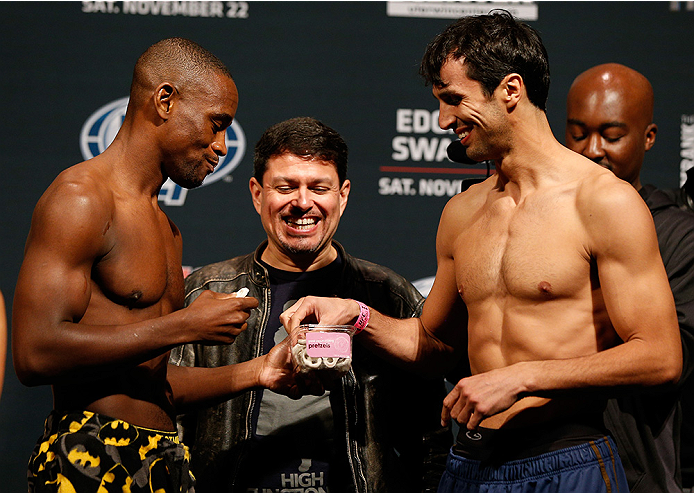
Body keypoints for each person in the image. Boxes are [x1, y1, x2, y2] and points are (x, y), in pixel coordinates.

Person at [279, 11, 683, 493]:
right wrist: (357, 315)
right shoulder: (462, 213)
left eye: (454, 100)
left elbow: (659, 356)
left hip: (566, 460)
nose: (445, 120)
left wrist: (522, 378)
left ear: (511, 90)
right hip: (470, 463)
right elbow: (432, 348)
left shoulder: (603, 201)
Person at [12, 38, 302, 493]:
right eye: (217, 123)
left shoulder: (167, 228)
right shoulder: (82, 198)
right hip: (90, 454)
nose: (222, 146)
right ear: (165, 101)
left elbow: (149, 379)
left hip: (164, 458)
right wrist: (184, 326)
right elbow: (34, 353)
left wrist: (261, 369)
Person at [169, 116, 449, 493]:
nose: (303, 203)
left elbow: (431, 432)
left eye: (319, 187)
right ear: (257, 193)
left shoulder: (386, 292)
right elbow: (170, 417)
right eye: (286, 187)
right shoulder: (207, 289)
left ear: (343, 195)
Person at [565, 62, 694, 492]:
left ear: (649, 137)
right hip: (537, 461)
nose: (592, 150)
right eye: (578, 133)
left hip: (632, 470)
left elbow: (671, 362)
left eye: (612, 135)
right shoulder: (538, 219)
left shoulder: (677, 233)